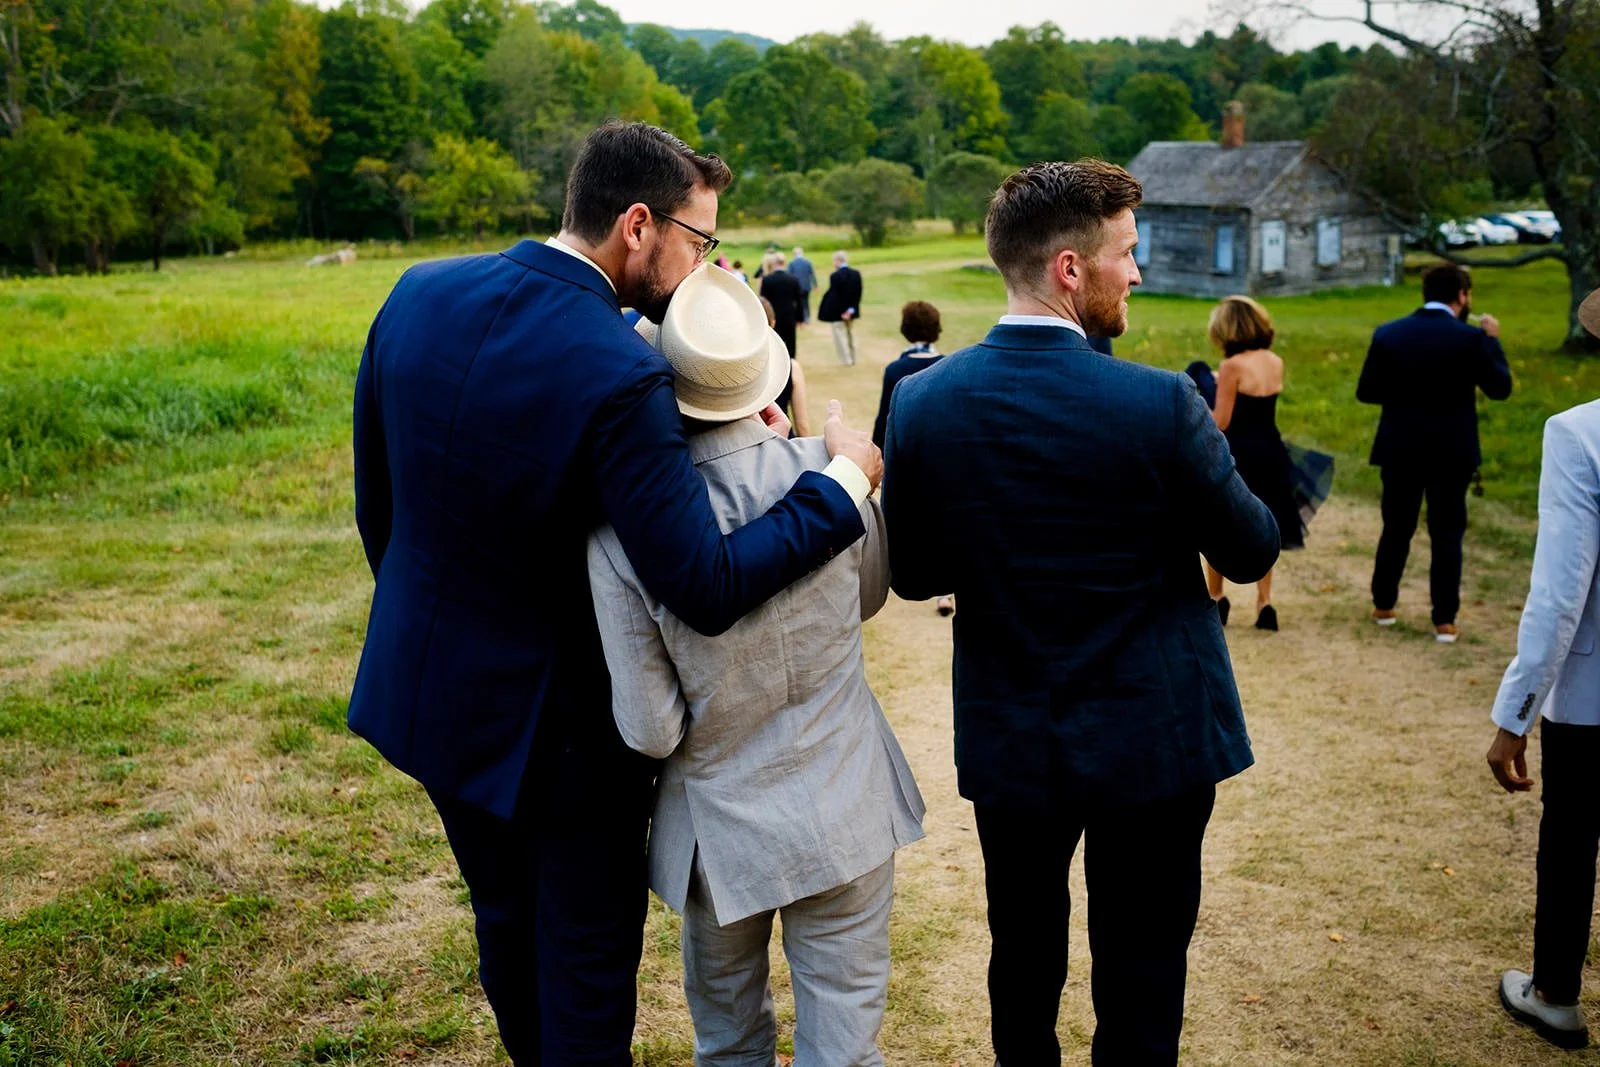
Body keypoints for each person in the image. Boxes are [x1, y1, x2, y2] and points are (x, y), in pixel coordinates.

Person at [348, 121, 881, 1065]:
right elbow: (703, 583)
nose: (703, 267)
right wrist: (840, 486)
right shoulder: (622, 371)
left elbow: (379, 512)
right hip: (561, 745)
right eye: (701, 242)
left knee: (506, 931)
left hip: (425, 697)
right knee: (586, 973)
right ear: (639, 226)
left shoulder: (417, 291)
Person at [882, 160, 1278, 1065]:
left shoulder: (924, 400)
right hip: (1158, 731)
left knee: (1021, 961)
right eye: (1126, 253)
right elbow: (1252, 548)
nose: (1136, 272)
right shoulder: (1159, 404)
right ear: (1071, 268)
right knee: (1142, 972)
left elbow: (912, 573)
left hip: (1013, 729)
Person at [589, 263, 925, 1067]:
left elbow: (650, 723)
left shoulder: (618, 534)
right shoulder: (835, 474)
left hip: (719, 830)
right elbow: (870, 596)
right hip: (843, 800)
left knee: (730, 1040)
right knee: (844, 1043)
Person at [1486, 288, 1600, 1052]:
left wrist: (1513, 713)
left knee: (1573, 833)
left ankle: (1556, 990)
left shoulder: (1580, 433)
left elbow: (1562, 590)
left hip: (1593, 697)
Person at [1358, 263, 1512, 642]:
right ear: (1462, 296)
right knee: (1447, 532)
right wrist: (1492, 340)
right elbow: (1500, 388)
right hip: (1451, 450)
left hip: (1401, 446)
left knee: (1396, 526)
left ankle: (1383, 604)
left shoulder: (1389, 334)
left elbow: (1367, 392)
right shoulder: (1471, 340)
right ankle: (1444, 619)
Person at [1203, 295, 1331, 632]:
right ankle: (1265, 603)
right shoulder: (1274, 361)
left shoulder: (1232, 367)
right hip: (1272, 451)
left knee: (1219, 522)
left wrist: (1207, 390)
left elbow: (1222, 421)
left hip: (1238, 454)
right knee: (1264, 523)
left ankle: (1217, 596)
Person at [872, 300, 952, 615]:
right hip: (943, 451)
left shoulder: (896, 370)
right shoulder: (949, 363)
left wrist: (878, 451)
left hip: (908, 451)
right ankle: (945, 591)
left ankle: (911, 570)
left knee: (913, 515)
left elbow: (885, 417)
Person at [760, 295, 811, 435]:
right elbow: (802, 424)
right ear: (773, 323)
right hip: (782, 439)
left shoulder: (730, 370)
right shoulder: (791, 366)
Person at [818, 250, 863, 366]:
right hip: (852, 311)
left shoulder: (835, 276)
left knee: (841, 337)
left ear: (838, 261)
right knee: (850, 334)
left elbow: (836, 297)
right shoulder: (856, 274)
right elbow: (857, 293)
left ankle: (846, 361)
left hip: (839, 313)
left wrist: (843, 312)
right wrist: (851, 310)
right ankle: (853, 358)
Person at [759, 252, 803, 361]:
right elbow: (799, 301)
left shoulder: (767, 280)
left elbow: (763, 301)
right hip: (789, 315)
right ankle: (791, 361)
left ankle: (776, 362)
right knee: (790, 341)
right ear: (784, 263)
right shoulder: (793, 279)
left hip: (774, 316)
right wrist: (800, 318)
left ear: (774, 263)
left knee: (775, 341)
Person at [790, 245, 818, 324]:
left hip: (796, 287)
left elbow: (789, 275)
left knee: (797, 303)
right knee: (806, 302)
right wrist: (815, 285)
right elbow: (812, 274)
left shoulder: (792, 263)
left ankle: (799, 319)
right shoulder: (807, 262)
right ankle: (807, 318)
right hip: (806, 286)